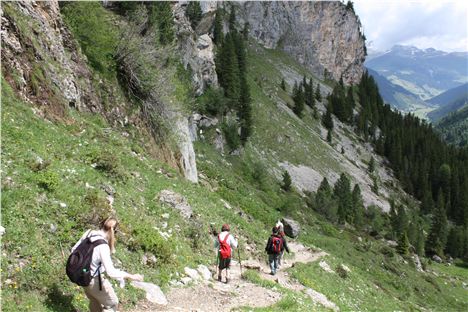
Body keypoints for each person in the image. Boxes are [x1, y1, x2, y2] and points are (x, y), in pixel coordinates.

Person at [71, 217, 143, 312]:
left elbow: (73, 250)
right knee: (112, 303)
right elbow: (111, 272)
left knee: (94, 300)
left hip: (81, 276)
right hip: (93, 279)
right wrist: (131, 276)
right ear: (113, 231)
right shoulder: (103, 246)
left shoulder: (89, 233)